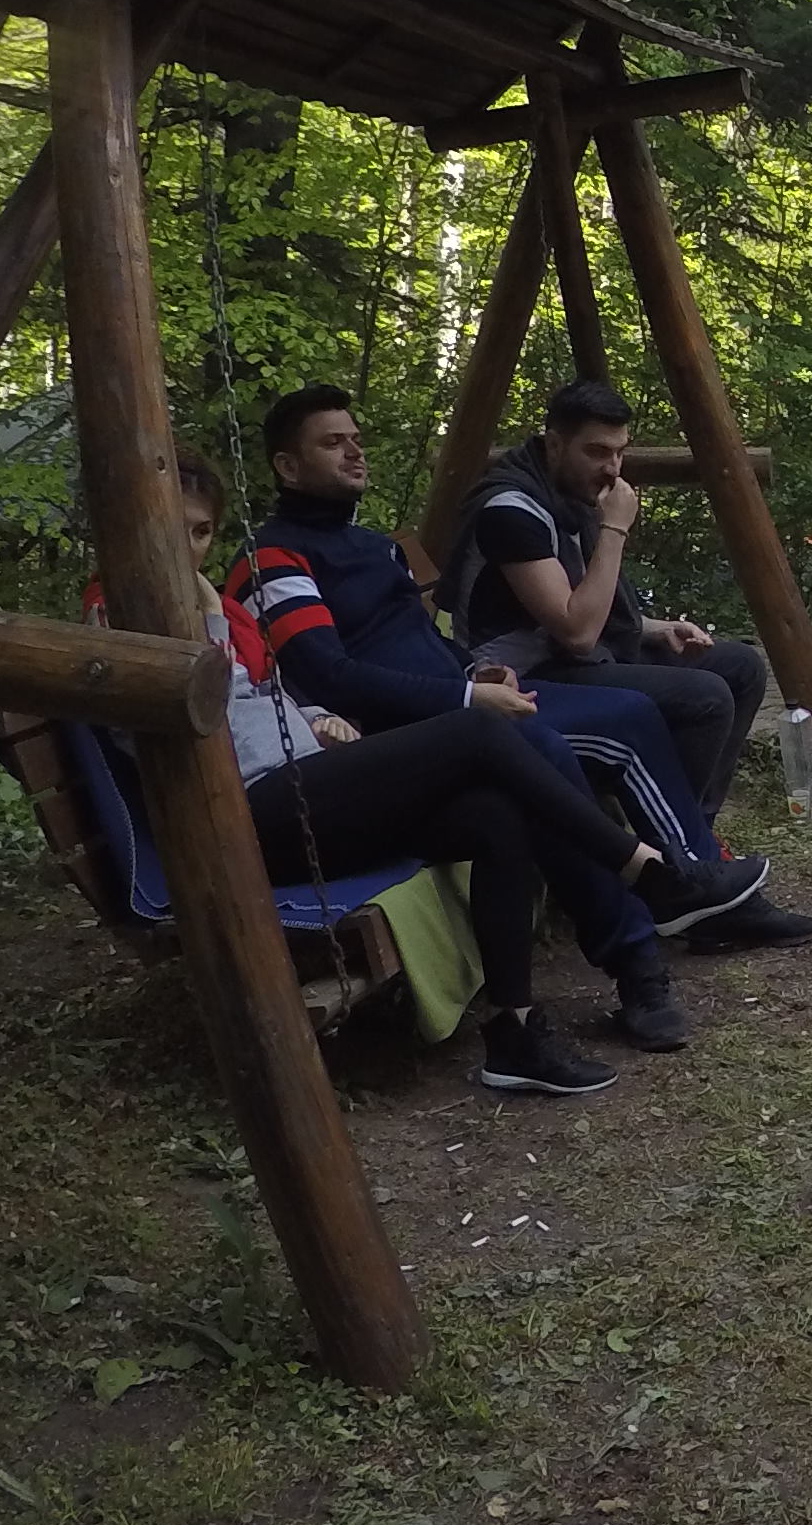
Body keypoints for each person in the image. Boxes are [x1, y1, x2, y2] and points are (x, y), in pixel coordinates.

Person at [241, 386, 812, 964]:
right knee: (634, 717)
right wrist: (468, 693)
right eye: (333, 444)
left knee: (724, 672)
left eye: (356, 440)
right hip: (412, 733)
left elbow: (421, 641)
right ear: (287, 467)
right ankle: (686, 882)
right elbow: (331, 675)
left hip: (479, 693)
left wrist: (475, 670)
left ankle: (690, 868)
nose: (354, 453)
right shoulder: (274, 558)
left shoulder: (374, 548)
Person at [169, 455, 640, 1094]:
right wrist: (209, 616)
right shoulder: (125, 621)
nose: (189, 548)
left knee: (493, 816)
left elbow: (258, 694)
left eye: (200, 531)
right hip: (243, 813)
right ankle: (633, 861)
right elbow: (191, 711)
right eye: (172, 530)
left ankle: (514, 1034)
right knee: (477, 730)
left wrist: (314, 717)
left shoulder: (218, 610)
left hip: (301, 782)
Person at [452, 376, 774, 816]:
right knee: (705, 697)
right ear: (555, 444)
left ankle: (693, 828)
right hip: (521, 678)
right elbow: (577, 632)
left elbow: (579, 607)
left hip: (571, 656)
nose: (613, 468)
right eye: (597, 452)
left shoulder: (565, 494)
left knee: (741, 666)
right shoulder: (511, 511)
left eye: (619, 452)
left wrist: (653, 629)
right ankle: (675, 841)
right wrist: (615, 528)